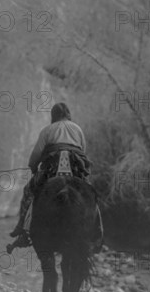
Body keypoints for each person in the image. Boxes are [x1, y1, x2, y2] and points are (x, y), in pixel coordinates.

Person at [8, 103, 91, 248]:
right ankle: (96, 232)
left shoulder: (47, 130)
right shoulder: (77, 129)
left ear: (53, 116)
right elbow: (83, 151)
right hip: (76, 167)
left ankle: (23, 230)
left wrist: (33, 167)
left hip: (51, 169)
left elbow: (36, 155)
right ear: (68, 114)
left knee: (28, 191)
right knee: (89, 193)